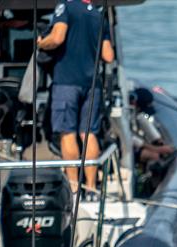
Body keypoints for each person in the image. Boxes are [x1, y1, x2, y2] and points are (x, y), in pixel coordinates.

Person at [37, 0, 114, 194]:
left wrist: (41, 43)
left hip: (66, 82)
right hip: (92, 85)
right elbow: (108, 55)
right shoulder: (98, 15)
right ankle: (91, 186)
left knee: (67, 132)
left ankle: (73, 187)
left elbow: (57, 37)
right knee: (89, 134)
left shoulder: (65, 7)